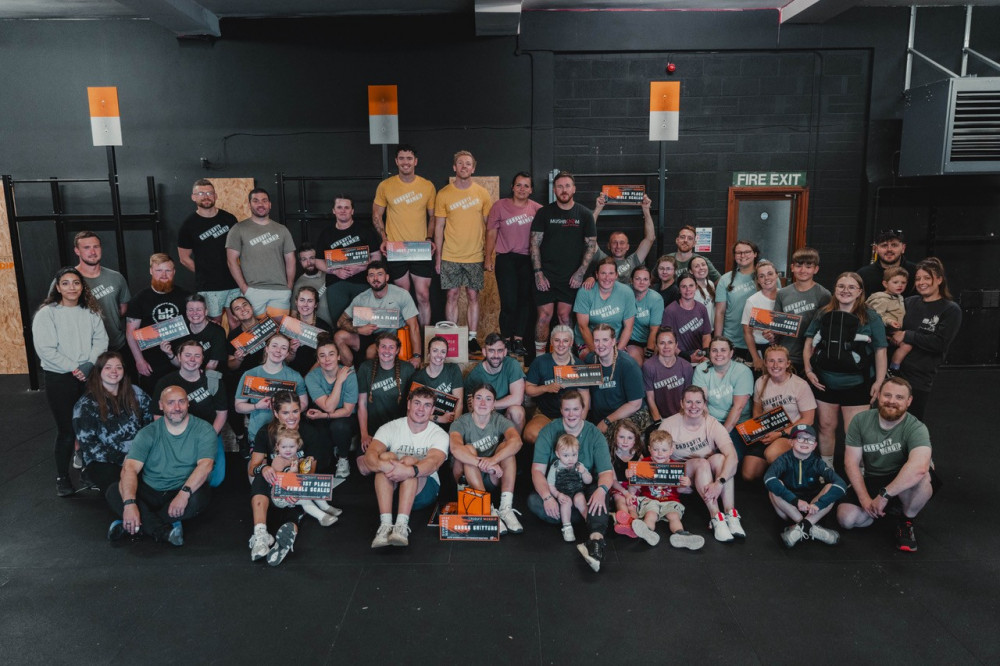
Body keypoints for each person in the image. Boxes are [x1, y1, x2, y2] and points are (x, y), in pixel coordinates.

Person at [105, 386, 215, 546]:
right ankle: (162, 530)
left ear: (188, 403)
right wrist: (129, 504)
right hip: (150, 490)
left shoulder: (204, 429)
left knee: (200, 497)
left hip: (181, 488)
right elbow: (130, 469)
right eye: (170, 403)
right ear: (161, 405)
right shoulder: (148, 433)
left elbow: (206, 465)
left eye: (181, 402)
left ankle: (132, 525)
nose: (177, 408)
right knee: (115, 490)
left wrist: (183, 494)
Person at [34, 266, 109, 496]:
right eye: (65, 283)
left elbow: (101, 341)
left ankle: (90, 472)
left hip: (88, 375)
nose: (71, 287)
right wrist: (73, 367)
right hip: (60, 378)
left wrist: (88, 364)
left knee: (91, 427)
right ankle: (63, 478)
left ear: (82, 287)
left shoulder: (91, 311)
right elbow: (45, 349)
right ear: (57, 287)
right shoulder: (47, 313)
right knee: (67, 430)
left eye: (76, 283)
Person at [837, 377, 934, 552]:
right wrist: (865, 499)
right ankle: (885, 509)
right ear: (878, 395)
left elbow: (919, 467)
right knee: (846, 520)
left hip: (903, 480)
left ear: (909, 401)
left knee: (924, 477)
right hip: (874, 477)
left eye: (899, 397)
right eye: (887, 395)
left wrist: (884, 496)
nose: (892, 401)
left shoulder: (916, 427)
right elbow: (850, 463)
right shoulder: (860, 421)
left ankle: (906, 520)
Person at [803, 272, 888, 468]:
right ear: (835, 289)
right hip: (825, 381)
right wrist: (808, 370)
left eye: (851, 287)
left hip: (857, 383)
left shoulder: (870, 317)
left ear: (860, 291)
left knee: (854, 431)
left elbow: (880, 350)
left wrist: (879, 382)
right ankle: (827, 467)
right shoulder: (824, 313)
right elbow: (809, 341)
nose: (845, 291)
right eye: (841, 286)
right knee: (826, 426)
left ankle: (857, 470)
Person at [247, 396, 342, 565]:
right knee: (261, 476)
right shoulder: (265, 432)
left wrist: (295, 488)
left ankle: (288, 531)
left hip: (296, 483)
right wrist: (264, 468)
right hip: (272, 484)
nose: (291, 417)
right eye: (285, 412)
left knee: (298, 502)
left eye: (295, 411)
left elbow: (311, 471)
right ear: (276, 413)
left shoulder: (309, 432)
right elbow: (252, 468)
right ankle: (260, 534)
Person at [527, 391, 613, 572]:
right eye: (567, 409)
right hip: (559, 490)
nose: (572, 414)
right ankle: (591, 519)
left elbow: (606, 472)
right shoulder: (548, 431)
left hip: (584, 488)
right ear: (561, 410)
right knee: (534, 501)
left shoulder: (594, 433)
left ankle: (595, 541)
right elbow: (537, 471)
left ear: (583, 409)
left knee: (600, 493)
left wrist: (602, 490)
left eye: (576, 409)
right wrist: (548, 497)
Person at [362, 386, 449, 549]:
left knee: (409, 461)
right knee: (385, 458)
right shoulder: (389, 427)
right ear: (408, 404)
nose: (421, 409)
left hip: (423, 492)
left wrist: (409, 470)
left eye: (427, 405)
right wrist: (383, 465)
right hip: (391, 493)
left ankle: (401, 526)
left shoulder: (439, 434)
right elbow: (370, 455)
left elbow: (434, 463)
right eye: (417, 403)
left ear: (433, 410)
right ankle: (386, 525)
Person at [657, 386, 744, 542]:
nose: (693, 406)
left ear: (704, 404)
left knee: (722, 459)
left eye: (698, 402)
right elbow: (658, 458)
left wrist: (719, 482)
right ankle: (715, 516)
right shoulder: (669, 424)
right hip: (682, 475)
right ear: (682, 403)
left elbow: (733, 457)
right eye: (689, 402)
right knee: (702, 462)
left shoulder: (712, 423)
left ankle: (730, 513)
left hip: (708, 478)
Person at [530, 171, 598, 357]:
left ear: (574, 189)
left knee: (564, 316)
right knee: (544, 316)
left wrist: (580, 273)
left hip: (570, 277)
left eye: (567, 186)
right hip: (546, 274)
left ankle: (566, 358)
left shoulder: (584, 214)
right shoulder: (544, 213)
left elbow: (591, 246)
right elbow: (534, 243)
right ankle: (539, 358)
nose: (564, 190)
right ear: (554, 189)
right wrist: (538, 273)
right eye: (560, 186)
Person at [434, 150, 493, 355]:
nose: (464, 167)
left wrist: (488, 255)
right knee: (451, 294)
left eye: (468, 164)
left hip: (475, 255)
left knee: (472, 295)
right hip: (450, 254)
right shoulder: (444, 194)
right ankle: (451, 338)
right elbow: (439, 227)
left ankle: (472, 339)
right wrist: (439, 257)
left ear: (473, 168)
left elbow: (489, 227)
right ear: (454, 167)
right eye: (460, 163)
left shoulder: (482, 193)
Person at [372, 144, 438, 326]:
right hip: (397, 248)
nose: (405, 162)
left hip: (420, 248)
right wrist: (384, 239)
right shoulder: (386, 185)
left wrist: (429, 238)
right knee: (404, 295)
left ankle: (424, 339)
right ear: (396, 161)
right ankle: (408, 337)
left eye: (409, 158)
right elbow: (376, 214)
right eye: (401, 158)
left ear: (415, 161)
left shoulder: (427, 186)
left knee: (423, 295)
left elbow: (433, 216)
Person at [890, 258, 962, 420]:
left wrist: (908, 335)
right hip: (894, 374)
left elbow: (939, 343)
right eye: (918, 279)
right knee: (888, 424)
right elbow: (892, 330)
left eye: (926, 278)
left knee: (911, 426)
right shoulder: (908, 302)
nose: (921, 282)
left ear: (939, 279)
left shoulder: (950, 309)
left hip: (919, 379)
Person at [73, 351, 153, 494]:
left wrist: (142, 452)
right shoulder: (86, 405)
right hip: (104, 460)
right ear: (99, 372)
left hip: (137, 455)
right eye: (108, 367)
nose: (114, 371)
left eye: (118, 367)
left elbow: (150, 423)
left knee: (155, 486)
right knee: (123, 490)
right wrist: (122, 458)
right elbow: (88, 445)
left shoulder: (136, 393)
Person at [449, 383, 524, 534]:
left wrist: (493, 460)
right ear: (472, 401)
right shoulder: (461, 422)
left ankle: (505, 508)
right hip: (466, 478)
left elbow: (517, 442)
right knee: (468, 449)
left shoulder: (499, 420)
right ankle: (486, 508)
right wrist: (484, 463)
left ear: (493, 404)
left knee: (507, 448)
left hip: (492, 476)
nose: (483, 403)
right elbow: (455, 449)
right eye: (479, 398)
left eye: (488, 399)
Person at [152, 339, 228, 487]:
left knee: (215, 480)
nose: (192, 360)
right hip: (177, 435)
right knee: (177, 476)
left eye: (197, 356)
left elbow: (222, 413)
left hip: (208, 433)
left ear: (202, 359)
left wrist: (209, 437)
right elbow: (157, 415)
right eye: (187, 355)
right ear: (179, 357)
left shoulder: (213, 380)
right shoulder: (165, 382)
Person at [485, 172, 542, 357]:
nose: (522, 189)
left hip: (527, 259)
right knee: (509, 302)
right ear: (512, 187)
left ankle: (518, 340)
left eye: (526, 186)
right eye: (518, 185)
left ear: (531, 189)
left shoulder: (537, 209)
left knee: (524, 301)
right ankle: (506, 340)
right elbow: (491, 233)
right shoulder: (499, 206)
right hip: (506, 258)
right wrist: (488, 257)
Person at [742, 345, 816, 482]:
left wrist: (781, 433)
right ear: (765, 363)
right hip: (769, 432)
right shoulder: (760, 382)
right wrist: (760, 431)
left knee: (771, 454)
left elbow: (809, 419)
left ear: (788, 363)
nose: (775, 365)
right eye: (771, 361)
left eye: (780, 361)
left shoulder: (800, 385)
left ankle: (795, 474)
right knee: (749, 474)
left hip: (791, 434)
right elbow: (757, 410)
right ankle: (775, 472)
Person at [764, 424, 846, 548]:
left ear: (814, 445)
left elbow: (841, 484)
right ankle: (810, 528)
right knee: (774, 486)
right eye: (800, 438)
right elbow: (768, 479)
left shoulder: (817, 462)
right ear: (791, 442)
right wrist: (795, 501)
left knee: (830, 486)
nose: (805, 442)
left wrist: (819, 504)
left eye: (810, 439)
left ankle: (800, 528)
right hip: (789, 508)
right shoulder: (783, 460)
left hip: (813, 509)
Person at [176, 179, 240, 326]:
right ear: (194, 197)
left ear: (215, 196)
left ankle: (236, 350)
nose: (206, 196)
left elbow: (239, 249)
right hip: (208, 287)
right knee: (214, 322)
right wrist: (204, 274)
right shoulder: (188, 225)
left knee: (235, 322)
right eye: (201, 193)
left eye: (209, 193)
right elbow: (184, 258)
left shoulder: (229, 219)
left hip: (233, 282)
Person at [225, 188, 297, 316]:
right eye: (256, 201)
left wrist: (289, 286)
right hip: (253, 291)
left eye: (264, 201)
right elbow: (231, 261)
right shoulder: (239, 229)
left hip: (280, 291)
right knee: (256, 333)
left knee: (279, 333)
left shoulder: (282, 229)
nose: (260, 204)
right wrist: (244, 288)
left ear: (270, 204)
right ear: (249, 204)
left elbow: (290, 259)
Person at [336, 261, 421, 368]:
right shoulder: (361, 298)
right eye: (372, 275)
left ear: (387, 277)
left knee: (371, 352)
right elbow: (340, 322)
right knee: (339, 336)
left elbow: (414, 327)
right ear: (367, 279)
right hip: (371, 336)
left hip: (394, 337)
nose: (376, 278)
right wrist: (359, 330)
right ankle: (350, 373)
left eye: (380, 274)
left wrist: (417, 356)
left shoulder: (401, 294)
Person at [630, 430, 705, 550]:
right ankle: (647, 531)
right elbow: (636, 488)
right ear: (649, 449)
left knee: (674, 516)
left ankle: (681, 535)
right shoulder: (644, 464)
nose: (660, 454)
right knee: (650, 515)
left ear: (671, 450)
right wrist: (632, 478)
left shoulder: (676, 467)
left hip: (671, 500)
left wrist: (686, 484)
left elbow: (680, 491)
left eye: (664, 450)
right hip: (650, 500)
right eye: (656, 449)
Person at [125, 254, 190, 393]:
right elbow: (131, 333)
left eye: (168, 270)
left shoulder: (185, 295)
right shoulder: (139, 299)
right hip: (152, 362)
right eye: (159, 270)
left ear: (174, 272)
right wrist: (139, 360)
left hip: (181, 359)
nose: (164, 275)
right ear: (151, 271)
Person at [314, 194, 383, 324]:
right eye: (339, 207)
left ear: (352, 210)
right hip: (336, 283)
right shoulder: (326, 233)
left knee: (365, 323)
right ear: (334, 210)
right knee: (340, 323)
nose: (343, 210)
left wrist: (361, 267)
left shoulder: (365, 230)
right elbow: (318, 261)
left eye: (347, 207)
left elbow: (376, 256)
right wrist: (335, 271)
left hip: (362, 282)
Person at [234, 334, 308, 447]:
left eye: (283, 348)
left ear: (287, 353)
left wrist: (286, 410)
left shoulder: (294, 376)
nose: (278, 351)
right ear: (267, 349)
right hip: (257, 434)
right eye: (274, 346)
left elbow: (304, 404)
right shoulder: (250, 375)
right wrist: (256, 406)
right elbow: (238, 407)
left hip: (287, 436)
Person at [523, 324, 590, 446]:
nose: (561, 344)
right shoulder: (540, 362)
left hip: (571, 416)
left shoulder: (578, 365)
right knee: (530, 434)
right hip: (545, 414)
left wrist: (580, 422)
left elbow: (585, 396)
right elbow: (528, 389)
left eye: (565, 341)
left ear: (571, 343)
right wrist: (546, 388)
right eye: (557, 340)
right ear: (551, 341)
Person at [67, 231, 130, 359]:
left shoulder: (116, 277)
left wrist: (108, 318)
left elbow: (123, 308)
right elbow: (58, 315)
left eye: (96, 246)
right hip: (85, 351)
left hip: (116, 345)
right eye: (86, 247)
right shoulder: (66, 281)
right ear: (77, 251)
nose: (92, 252)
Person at [304, 334, 358, 478]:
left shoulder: (349, 374)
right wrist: (339, 381)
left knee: (339, 427)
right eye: (322, 356)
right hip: (323, 418)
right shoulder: (311, 377)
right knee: (322, 464)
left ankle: (343, 458)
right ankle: (335, 445)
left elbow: (347, 411)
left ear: (338, 357)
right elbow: (328, 407)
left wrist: (324, 415)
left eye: (331, 354)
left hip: (346, 419)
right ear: (318, 359)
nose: (327, 359)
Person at [692, 336, 754, 459]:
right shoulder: (701, 369)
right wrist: (708, 429)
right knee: (698, 453)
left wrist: (720, 437)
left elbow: (738, 408)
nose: (718, 354)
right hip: (711, 420)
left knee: (728, 456)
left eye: (723, 350)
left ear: (731, 353)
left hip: (738, 424)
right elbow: (701, 403)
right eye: (714, 350)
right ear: (709, 353)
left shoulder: (743, 371)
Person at [773, 247, 830, 374]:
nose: (803, 270)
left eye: (808, 266)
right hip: (786, 354)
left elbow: (825, 329)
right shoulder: (782, 293)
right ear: (792, 267)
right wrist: (770, 334)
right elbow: (776, 325)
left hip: (811, 355)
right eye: (799, 266)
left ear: (816, 269)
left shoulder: (824, 295)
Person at [357, 332, 416, 452]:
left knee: (390, 462)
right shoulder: (365, 368)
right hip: (373, 430)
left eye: (391, 347)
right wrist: (364, 434)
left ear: (397, 350)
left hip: (399, 430)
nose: (387, 351)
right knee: (364, 469)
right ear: (377, 349)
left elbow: (413, 404)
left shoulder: (407, 369)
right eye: (383, 346)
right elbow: (362, 404)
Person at [586, 324, 648, 438]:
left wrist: (607, 421)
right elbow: (585, 394)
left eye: (605, 340)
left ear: (613, 341)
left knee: (618, 437)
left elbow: (635, 404)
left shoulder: (628, 365)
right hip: (601, 416)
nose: (600, 345)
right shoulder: (590, 360)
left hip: (628, 415)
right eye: (597, 340)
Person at [463, 333, 526, 434]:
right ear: (484, 351)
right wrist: (489, 409)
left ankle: (515, 446)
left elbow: (518, 399)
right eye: (491, 351)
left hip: (507, 416)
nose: (496, 356)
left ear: (505, 352)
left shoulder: (512, 365)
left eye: (499, 351)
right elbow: (473, 410)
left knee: (517, 411)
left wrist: (491, 405)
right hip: (487, 418)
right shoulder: (474, 377)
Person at [574, 258, 636, 357]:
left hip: (613, 341)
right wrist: (596, 352)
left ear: (616, 275)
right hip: (589, 341)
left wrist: (617, 353)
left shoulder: (626, 292)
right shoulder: (585, 292)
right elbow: (582, 326)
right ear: (597, 275)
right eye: (603, 273)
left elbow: (629, 327)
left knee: (622, 364)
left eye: (611, 273)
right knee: (591, 361)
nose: (607, 277)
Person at [224, 295, 262, 455]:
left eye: (245, 305)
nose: (243, 309)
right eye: (237, 309)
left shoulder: (269, 326)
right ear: (234, 316)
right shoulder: (233, 336)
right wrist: (238, 360)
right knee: (232, 406)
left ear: (251, 307)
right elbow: (230, 364)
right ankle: (241, 438)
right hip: (243, 377)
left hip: (266, 375)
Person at [588, 193, 656, 283]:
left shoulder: (634, 261)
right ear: (608, 245)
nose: (618, 246)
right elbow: (589, 237)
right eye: (614, 242)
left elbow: (650, 238)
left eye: (622, 243)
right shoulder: (601, 259)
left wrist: (646, 209)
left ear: (627, 246)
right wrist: (597, 209)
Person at [714, 240, 759, 363]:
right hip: (733, 340)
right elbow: (720, 312)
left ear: (755, 254)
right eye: (739, 252)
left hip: (760, 340)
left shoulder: (766, 277)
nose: (743, 255)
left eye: (747, 252)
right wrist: (717, 340)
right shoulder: (725, 279)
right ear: (734, 256)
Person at [546, 433, 594, 542]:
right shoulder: (555, 467)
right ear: (558, 454)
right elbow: (550, 485)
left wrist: (584, 473)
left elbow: (589, 481)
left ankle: (590, 522)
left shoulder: (579, 465)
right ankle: (567, 527)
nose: (570, 459)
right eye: (566, 456)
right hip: (563, 493)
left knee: (580, 499)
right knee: (565, 502)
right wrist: (558, 495)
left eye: (574, 455)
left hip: (577, 491)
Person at [162, 294, 227, 372]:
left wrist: (199, 378)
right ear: (186, 312)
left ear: (206, 312)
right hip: (185, 373)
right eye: (191, 310)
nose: (194, 313)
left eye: (199, 309)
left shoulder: (217, 332)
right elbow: (180, 365)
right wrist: (170, 354)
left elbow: (213, 364)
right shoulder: (180, 328)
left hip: (209, 375)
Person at [410, 335, 464, 426]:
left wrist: (455, 430)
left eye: (443, 352)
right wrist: (439, 419)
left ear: (446, 355)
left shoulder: (453, 370)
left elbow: (459, 404)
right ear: (428, 354)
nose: (439, 355)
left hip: (451, 424)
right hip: (426, 425)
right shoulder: (418, 377)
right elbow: (413, 411)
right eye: (435, 351)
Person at [643, 328, 694, 423]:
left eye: (670, 342)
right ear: (656, 345)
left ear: (676, 345)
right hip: (659, 417)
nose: (666, 346)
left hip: (682, 416)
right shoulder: (649, 366)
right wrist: (658, 421)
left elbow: (688, 397)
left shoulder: (686, 366)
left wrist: (682, 420)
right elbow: (650, 398)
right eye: (662, 343)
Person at [661, 272, 712, 364]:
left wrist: (705, 354)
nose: (688, 289)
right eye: (684, 286)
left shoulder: (701, 308)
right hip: (679, 357)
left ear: (696, 287)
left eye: (691, 285)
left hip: (699, 356)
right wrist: (687, 357)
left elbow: (706, 335)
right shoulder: (670, 311)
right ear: (679, 290)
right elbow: (666, 341)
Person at [284, 285, 334, 377]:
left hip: (317, 374)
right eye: (302, 300)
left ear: (315, 304)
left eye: (310, 301)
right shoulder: (288, 325)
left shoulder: (324, 328)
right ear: (296, 302)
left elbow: (327, 358)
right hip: (291, 374)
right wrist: (291, 351)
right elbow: (285, 360)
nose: (305, 305)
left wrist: (308, 378)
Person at [741, 259, 781, 373]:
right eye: (762, 276)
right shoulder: (752, 301)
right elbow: (747, 332)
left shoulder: (785, 296)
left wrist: (775, 335)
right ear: (758, 280)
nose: (766, 278)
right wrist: (756, 358)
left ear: (776, 275)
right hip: (759, 349)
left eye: (770, 274)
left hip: (781, 349)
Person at [857, 229, 918, 300]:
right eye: (884, 245)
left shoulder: (916, 272)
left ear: (903, 248)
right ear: (875, 249)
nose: (889, 249)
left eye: (894, 245)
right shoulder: (863, 275)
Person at [607, 420, 642, 537]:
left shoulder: (639, 455)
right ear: (615, 437)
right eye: (621, 437)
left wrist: (631, 491)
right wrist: (625, 493)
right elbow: (613, 480)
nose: (625, 441)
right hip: (619, 487)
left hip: (633, 487)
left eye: (630, 438)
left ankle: (634, 526)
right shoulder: (611, 455)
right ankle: (624, 521)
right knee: (619, 499)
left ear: (635, 439)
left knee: (632, 505)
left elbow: (641, 480)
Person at [625, 265, 664, 366]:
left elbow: (654, 330)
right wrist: (592, 278)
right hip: (631, 340)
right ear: (631, 280)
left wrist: (649, 354)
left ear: (650, 282)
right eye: (637, 279)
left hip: (650, 340)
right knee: (636, 364)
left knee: (648, 366)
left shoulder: (656, 299)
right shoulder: (624, 292)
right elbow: (608, 281)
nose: (641, 282)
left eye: (645, 279)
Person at [292, 243, 331, 325]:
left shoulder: (330, 274)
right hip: (316, 330)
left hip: (335, 326)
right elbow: (294, 314)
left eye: (312, 258)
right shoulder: (298, 284)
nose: (309, 262)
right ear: (300, 262)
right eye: (304, 259)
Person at [867, 265, 908, 332]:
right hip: (882, 334)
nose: (900, 285)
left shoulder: (900, 297)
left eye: (903, 282)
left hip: (896, 332)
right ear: (885, 284)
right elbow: (874, 318)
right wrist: (889, 321)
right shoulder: (881, 299)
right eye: (895, 282)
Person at [689, 255, 717, 330]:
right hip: (698, 332)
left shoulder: (710, 284)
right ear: (691, 271)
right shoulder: (690, 290)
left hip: (711, 329)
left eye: (703, 265)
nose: (701, 268)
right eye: (696, 266)